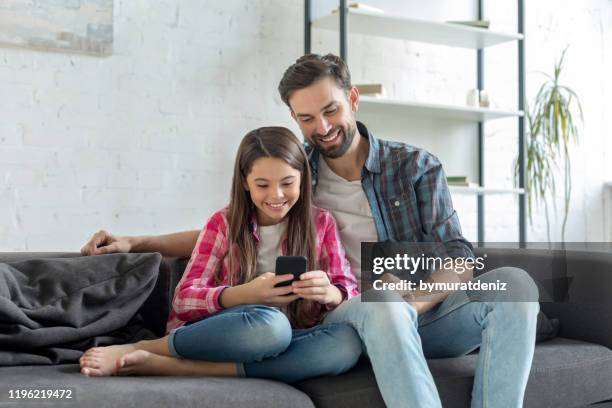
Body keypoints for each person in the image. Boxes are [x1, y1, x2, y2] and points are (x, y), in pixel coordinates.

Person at [82, 54, 540, 408]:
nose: (321, 128)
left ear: (353, 99)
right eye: (305, 118)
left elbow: (459, 256)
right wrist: (137, 242)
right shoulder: (296, 174)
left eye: (330, 110)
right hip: (351, 313)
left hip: (420, 312)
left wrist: (416, 302)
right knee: (377, 305)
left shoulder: (415, 167)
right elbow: (235, 224)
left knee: (516, 285)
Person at [79, 126, 362, 383]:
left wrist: (331, 293)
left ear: (303, 178)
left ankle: (184, 367)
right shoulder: (223, 224)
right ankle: (143, 348)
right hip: (239, 332)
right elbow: (184, 299)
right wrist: (246, 294)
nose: (276, 195)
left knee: (347, 344)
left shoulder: (321, 223)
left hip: (292, 336)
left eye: (287, 183)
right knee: (271, 328)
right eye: (263, 185)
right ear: (245, 182)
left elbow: (347, 286)